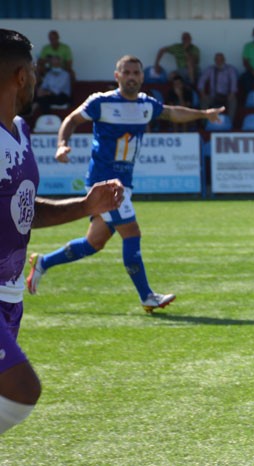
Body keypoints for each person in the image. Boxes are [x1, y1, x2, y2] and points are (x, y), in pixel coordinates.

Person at [26, 55, 225, 312]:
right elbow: (72, 120)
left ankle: (43, 262)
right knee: (132, 233)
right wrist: (62, 144)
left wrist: (204, 114)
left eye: (136, 73)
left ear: (142, 77)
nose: (132, 77)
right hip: (104, 183)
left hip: (125, 183)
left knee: (93, 243)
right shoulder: (102, 102)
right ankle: (147, 296)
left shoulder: (145, 105)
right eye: (127, 72)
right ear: (117, 76)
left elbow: (172, 113)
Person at [0, 28, 124, 436]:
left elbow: (24, 210)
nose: (36, 78)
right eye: (33, 70)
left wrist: (86, 207)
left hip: (10, 295)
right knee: (21, 391)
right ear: (20, 76)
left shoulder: (19, 131)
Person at [197, 52, 238, 124]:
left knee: (233, 101)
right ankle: (205, 124)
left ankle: (230, 123)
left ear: (224, 60)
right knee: (204, 101)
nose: (219, 61)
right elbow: (201, 81)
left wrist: (232, 94)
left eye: (220, 59)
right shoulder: (210, 69)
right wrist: (203, 94)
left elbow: (234, 82)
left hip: (226, 96)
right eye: (217, 59)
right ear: (215, 60)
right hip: (214, 96)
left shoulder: (230, 69)